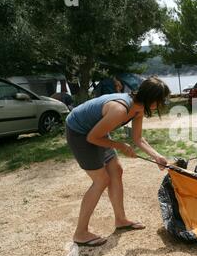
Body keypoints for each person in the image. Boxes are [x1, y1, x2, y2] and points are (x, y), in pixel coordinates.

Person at [65, 77, 171, 247]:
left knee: (116, 170)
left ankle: (120, 220)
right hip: (79, 132)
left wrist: (156, 156)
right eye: (161, 100)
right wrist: (120, 146)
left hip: (95, 131)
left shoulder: (138, 107)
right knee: (101, 180)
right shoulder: (120, 109)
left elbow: (138, 138)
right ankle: (80, 233)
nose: (162, 104)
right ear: (151, 99)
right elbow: (92, 137)